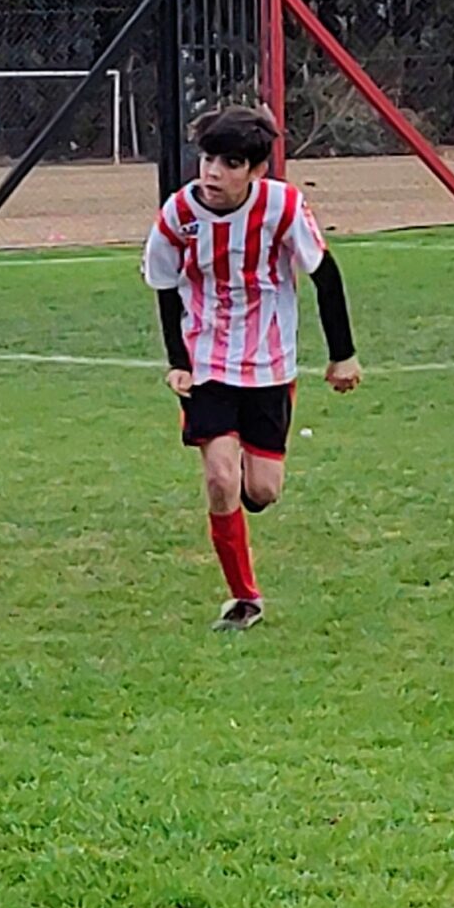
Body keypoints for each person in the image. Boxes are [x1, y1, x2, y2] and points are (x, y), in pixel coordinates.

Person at [141, 106, 362, 631]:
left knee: (261, 492)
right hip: (207, 363)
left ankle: (244, 476)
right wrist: (178, 361)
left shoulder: (283, 207)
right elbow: (164, 286)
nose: (213, 172)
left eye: (231, 162)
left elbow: (325, 275)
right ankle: (244, 599)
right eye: (208, 159)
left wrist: (343, 354)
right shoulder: (179, 214)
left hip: (270, 365)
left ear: (257, 170)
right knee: (220, 478)